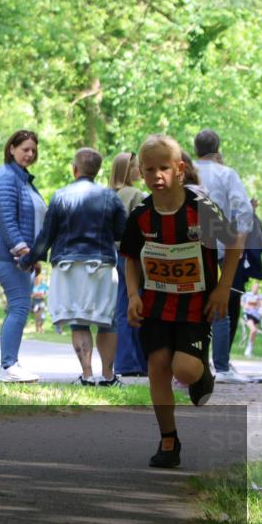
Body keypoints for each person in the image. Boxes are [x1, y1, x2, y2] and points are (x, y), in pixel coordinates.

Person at [121, 135, 241, 468]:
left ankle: (202, 375)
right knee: (158, 368)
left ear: (180, 169)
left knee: (184, 370)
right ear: (141, 173)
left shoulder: (200, 208)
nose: (156, 175)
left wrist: (223, 289)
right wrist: (132, 295)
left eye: (164, 168)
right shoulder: (141, 215)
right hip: (156, 306)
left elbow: (234, 243)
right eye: (149, 169)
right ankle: (168, 441)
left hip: (195, 306)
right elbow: (130, 258)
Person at [20, 148, 126, 387]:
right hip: (101, 264)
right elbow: (122, 232)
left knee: (79, 320)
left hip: (68, 266)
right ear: (97, 170)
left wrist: (28, 260)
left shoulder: (60, 196)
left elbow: (46, 235)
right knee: (107, 320)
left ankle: (87, 376)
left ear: (74, 169)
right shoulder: (111, 197)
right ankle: (108, 376)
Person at [0, 130, 46, 382]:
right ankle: (8, 366)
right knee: (19, 305)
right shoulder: (6, 177)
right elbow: (7, 221)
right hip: (5, 253)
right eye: (25, 149)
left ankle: (11, 363)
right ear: (11, 148)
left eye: (33, 150)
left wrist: (33, 256)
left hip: (17, 254)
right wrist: (23, 251)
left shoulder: (21, 178)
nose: (30, 154)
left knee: (20, 306)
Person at [193, 130, 254, 384]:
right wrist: (240, 240)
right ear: (217, 148)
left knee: (188, 305)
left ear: (195, 148)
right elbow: (244, 209)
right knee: (220, 306)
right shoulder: (226, 174)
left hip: (186, 246)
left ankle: (192, 364)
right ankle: (221, 366)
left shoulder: (185, 171)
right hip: (218, 247)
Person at [109, 151, 149, 377]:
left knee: (121, 307)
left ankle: (124, 361)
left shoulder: (108, 195)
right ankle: (138, 362)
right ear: (127, 170)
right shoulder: (136, 195)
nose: (139, 170)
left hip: (112, 255)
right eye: (135, 166)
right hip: (132, 256)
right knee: (136, 305)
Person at [242, 281, 262, 357]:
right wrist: (245, 306)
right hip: (248, 314)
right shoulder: (246, 294)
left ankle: (250, 349)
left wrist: (258, 302)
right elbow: (242, 303)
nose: (256, 288)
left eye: (257, 287)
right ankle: (248, 350)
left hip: (256, 316)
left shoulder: (259, 297)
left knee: (254, 333)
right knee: (253, 330)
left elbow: (260, 306)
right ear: (252, 287)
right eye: (255, 287)